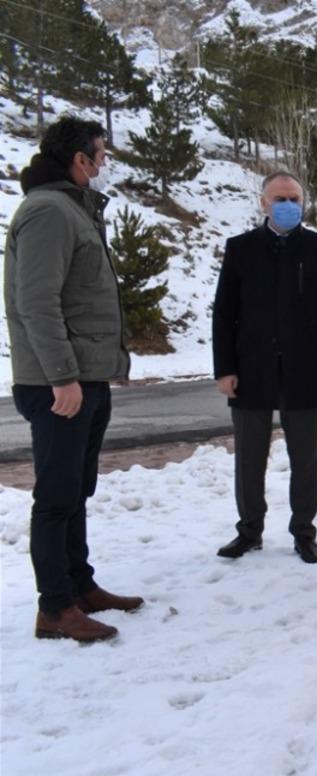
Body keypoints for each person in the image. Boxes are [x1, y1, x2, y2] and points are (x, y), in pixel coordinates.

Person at [4, 116, 141, 642]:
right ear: (80, 161)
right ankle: (54, 608)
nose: (103, 165)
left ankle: (80, 585)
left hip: (85, 378)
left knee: (76, 490)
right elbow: (35, 304)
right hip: (58, 383)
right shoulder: (47, 212)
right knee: (57, 495)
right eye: (100, 156)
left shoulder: (71, 209)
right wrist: (62, 378)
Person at [211, 172, 317, 564]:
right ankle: (249, 531)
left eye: (294, 198)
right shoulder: (241, 249)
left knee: (305, 458)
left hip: (306, 369)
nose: (288, 205)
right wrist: (225, 369)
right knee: (249, 458)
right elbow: (224, 313)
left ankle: (304, 533)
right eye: (280, 198)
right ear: (263, 203)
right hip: (250, 368)